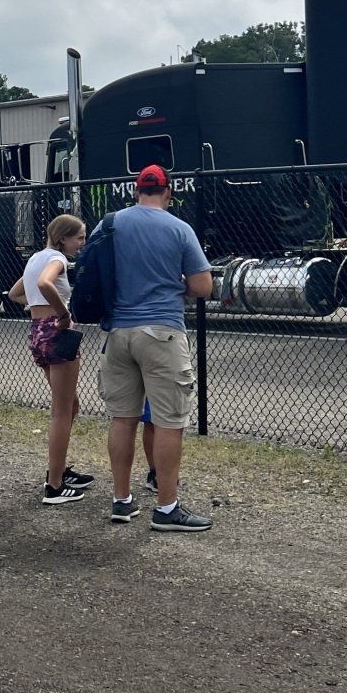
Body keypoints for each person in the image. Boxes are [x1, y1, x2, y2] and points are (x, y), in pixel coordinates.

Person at [98, 164, 214, 531]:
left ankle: (121, 500)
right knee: (168, 422)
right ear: (167, 193)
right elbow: (203, 286)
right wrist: (175, 281)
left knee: (123, 418)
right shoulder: (179, 229)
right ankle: (166, 507)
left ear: (136, 191)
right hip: (162, 332)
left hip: (119, 333)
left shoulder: (111, 223)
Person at [13, 214, 97, 504]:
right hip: (56, 331)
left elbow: (15, 293)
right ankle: (55, 485)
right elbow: (47, 283)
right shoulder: (58, 260)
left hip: (37, 331)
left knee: (70, 404)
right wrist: (62, 314)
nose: (82, 243)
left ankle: (59, 469)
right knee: (62, 410)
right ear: (63, 238)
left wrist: (38, 306)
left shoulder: (36, 257)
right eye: (79, 238)